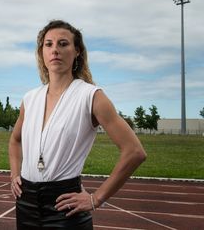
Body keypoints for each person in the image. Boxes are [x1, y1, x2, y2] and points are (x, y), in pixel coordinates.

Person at [8, 19, 147, 229]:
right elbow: (15, 140)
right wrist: (14, 174)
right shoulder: (29, 98)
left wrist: (96, 198)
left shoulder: (91, 96)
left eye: (63, 44)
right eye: (49, 44)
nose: (55, 49)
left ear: (77, 51)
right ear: (41, 53)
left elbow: (134, 151)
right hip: (25, 203)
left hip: (65, 205)